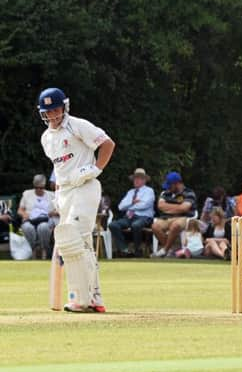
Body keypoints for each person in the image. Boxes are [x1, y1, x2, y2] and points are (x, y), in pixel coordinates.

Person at [38, 87, 115, 312]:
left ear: (65, 107)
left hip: (85, 186)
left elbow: (108, 144)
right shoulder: (46, 138)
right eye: (48, 112)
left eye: (56, 110)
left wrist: (95, 169)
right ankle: (95, 299)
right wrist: (58, 194)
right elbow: (59, 167)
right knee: (83, 245)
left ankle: (80, 300)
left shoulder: (77, 125)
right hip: (66, 192)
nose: (53, 115)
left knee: (73, 237)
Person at [108, 168, 155, 257]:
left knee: (136, 225)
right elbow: (120, 207)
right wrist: (132, 202)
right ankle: (124, 249)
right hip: (129, 217)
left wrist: (129, 206)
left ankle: (138, 249)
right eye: (135, 178)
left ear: (144, 180)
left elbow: (144, 205)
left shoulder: (149, 191)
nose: (136, 180)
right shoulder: (130, 192)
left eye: (139, 178)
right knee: (113, 225)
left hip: (144, 217)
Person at [151, 172, 197, 257]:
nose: (168, 187)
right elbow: (160, 206)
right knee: (155, 226)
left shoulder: (189, 193)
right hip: (166, 218)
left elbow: (184, 208)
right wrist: (178, 208)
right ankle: (170, 250)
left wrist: (168, 208)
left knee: (175, 225)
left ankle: (164, 250)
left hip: (183, 217)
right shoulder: (165, 193)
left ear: (177, 184)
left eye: (170, 185)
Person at [17, 174, 59, 259]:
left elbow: (59, 210)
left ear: (44, 186)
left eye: (41, 188)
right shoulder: (27, 194)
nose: (39, 190)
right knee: (27, 227)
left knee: (43, 227)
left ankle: (44, 249)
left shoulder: (51, 195)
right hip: (30, 219)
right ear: (34, 186)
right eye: (36, 187)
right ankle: (34, 249)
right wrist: (25, 215)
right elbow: (20, 210)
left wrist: (52, 213)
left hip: (47, 219)